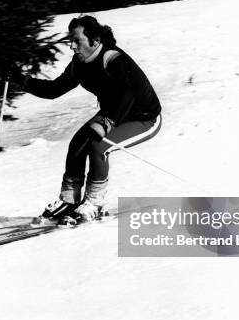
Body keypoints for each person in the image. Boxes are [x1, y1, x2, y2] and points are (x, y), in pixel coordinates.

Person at [14, 15, 162, 223]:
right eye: (70, 41)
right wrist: (23, 81)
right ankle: (70, 201)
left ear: (95, 40)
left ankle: (94, 203)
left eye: (77, 41)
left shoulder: (112, 58)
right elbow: (55, 89)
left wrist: (108, 122)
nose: (73, 47)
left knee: (98, 146)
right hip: (113, 113)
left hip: (144, 117)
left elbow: (129, 92)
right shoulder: (79, 64)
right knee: (78, 142)